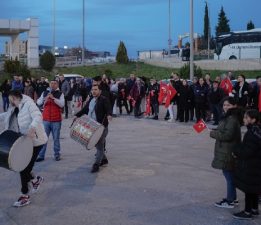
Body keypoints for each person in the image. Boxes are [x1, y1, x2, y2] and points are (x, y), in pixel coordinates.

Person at [0, 90, 48, 207]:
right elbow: (7, 115)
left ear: (17, 97)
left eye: (12, 99)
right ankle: (36, 180)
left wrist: (32, 128)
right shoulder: (14, 106)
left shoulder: (29, 104)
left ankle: (24, 195)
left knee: (23, 169)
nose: (10, 102)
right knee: (24, 168)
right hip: (24, 141)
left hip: (36, 141)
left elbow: (38, 115)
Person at [210, 97, 242, 209]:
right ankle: (233, 198)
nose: (225, 107)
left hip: (228, 151)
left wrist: (213, 134)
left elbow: (227, 136)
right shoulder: (228, 117)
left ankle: (230, 201)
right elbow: (224, 131)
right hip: (225, 150)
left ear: (234, 106)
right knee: (229, 175)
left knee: (229, 176)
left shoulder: (232, 119)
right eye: (224, 105)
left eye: (228, 105)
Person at [74, 84, 112, 173]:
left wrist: (109, 115)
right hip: (92, 127)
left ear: (100, 91)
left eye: (96, 89)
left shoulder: (104, 100)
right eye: (92, 90)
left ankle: (96, 165)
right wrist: (77, 115)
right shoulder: (91, 100)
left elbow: (108, 109)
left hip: (101, 128)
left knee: (99, 146)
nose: (94, 91)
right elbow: (85, 110)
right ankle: (104, 159)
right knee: (97, 145)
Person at [232, 109, 261, 220]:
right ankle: (254, 209)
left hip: (252, 166)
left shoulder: (252, 133)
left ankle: (248, 212)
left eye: (246, 118)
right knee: (254, 189)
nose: (244, 119)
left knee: (249, 190)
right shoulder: (256, 130)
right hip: (256, 165)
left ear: (253, 120)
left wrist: (236, 149)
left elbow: (247, 152)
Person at [36, 80, 65, 162]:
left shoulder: (60, 94)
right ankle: (41, 155)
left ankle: (57, 155)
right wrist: (45, 98)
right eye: (51, 83)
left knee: (56, 138)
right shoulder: (45, 92)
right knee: (44, 138)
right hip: (46, 119)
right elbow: (38, 102)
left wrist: (53, 98)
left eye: (55, 83)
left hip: (56, 120)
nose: (53, 85)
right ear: (49, 84)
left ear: (57, 85)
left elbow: (62, 104)